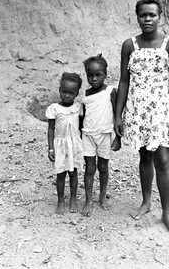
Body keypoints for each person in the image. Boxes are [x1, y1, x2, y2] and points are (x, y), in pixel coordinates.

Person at [114, 0, 169, 234]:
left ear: (159, 16)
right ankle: (146, 201)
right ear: (137, 17)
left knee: (162, 160)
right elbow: (124, 81)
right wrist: (118, 115)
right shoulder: (129, 45)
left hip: (161, 112)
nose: (147, 19)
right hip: (138, 111)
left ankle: (166, 213)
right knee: (144, 157)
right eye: (143, 15)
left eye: (152, 14)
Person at [81, 54, 121, 216]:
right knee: (89, 168)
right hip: (88, 135)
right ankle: (88, 200)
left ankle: (102, 197)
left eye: (98, 75)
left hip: (105, 135)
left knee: (103, 167)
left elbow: (118, 115)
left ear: (105, 74)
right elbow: (84, 115)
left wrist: (119, 138)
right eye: (90, 75)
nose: (94, 79)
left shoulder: (110, 91)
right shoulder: (87, 93)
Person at [46, 72, 84, 215]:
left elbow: (80, 127)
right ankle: (61, 200)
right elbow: (50, 129)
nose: (67, 95)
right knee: (61, 174)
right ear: (59, 90)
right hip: (60, 145)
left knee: (73, 173)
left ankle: (73, 199)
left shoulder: (78, 108)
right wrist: (50, 149)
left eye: (71, 93)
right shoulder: (54, 108)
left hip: (74, 144)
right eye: (64, 91)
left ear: (76, 94)